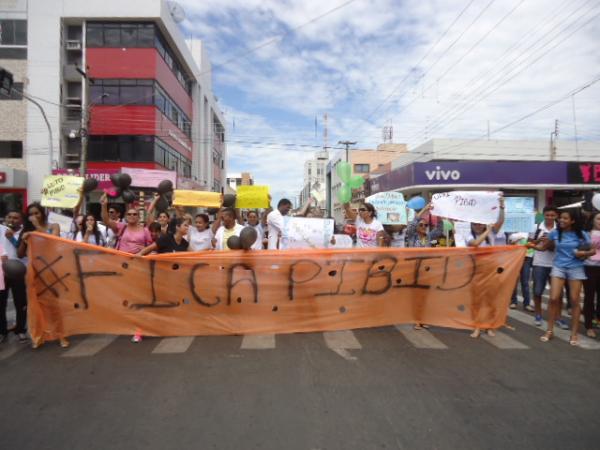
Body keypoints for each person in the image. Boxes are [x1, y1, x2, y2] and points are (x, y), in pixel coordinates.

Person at [538, 210, 595, 345]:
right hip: (559, 267)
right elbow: (542, 248)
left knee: (575, 301)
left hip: (576, 268)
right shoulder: (555, 233)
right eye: (561, 218)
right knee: (553, 298)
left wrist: (581, 253)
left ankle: (574, 334)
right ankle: (549, 330)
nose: (561, 220)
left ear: (572, 221)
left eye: (565, 218)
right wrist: (527, 245)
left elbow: (592, 251)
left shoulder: (583, 235)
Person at [16, 203, 65, 348]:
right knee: (35, 305)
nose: (34, 216)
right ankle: (38, 336)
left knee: (55, 306)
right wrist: (24, 241)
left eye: (37, 213)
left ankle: (61, 335)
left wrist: (37, 227)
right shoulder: (26, 231)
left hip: (51, 270)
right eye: (31, 214)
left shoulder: (53, 226)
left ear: (42, 213)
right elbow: (20, 254)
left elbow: (53, 241)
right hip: (34, 272)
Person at [467, 196, 505, 338]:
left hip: (491, 270)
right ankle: (477, 326)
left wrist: (501, 207)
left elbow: (500, 221)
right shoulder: (468, 235)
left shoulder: (492, 234)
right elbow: (476, 244)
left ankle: (489, 326)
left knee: (491, 299)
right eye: (475, 223)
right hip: (475, 271)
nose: (477, 225)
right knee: (476, 300)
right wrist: (487, 231)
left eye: (480, 223)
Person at [528, 206, 565, 327]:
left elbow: (565, 245)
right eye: (547, 215)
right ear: (543, 215)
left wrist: (552, 242)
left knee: (558, 294)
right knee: (538, 291)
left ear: (556, 216)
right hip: (539, 263)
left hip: (557, 264)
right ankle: (538, 315)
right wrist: (539, 241)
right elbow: (529, 243)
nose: (549, 217)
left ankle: (558, 317)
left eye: (552, 215)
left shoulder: (561, 228)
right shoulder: (536, 227)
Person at [0, 210, 28, 343]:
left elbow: (23, 253)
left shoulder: (26, 233)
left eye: (16, 218)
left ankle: (21, 330)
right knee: (1, 303)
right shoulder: (1, 230)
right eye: (9, 217)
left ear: (21, 220)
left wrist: (12, 238)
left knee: (21, 302)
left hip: (19, 272)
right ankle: (2, 331)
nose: (12, 220)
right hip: (2, 272)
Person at [583, 211, 600, 338]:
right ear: (593, 220)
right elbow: (580, 249)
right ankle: (588, 325)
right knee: (589, 297)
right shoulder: (586, 234)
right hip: (589, 267)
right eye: (598, 219)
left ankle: (597, 320)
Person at [509, 232, 534, 311]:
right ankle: (513, 302)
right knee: (514, 281)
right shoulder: (512, 232)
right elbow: (509, 244)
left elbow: (532, 243)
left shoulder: (530, 231)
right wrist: (518, 239)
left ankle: (527, 303)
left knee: (525, 281)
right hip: (514, 257)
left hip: (526, 257)